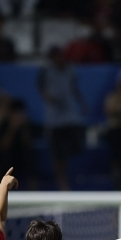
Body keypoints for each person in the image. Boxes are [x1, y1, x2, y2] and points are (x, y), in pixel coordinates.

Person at [38, 47, 87, 191]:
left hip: (70, 118)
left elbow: (74, 88)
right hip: (54, 121)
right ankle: (61, 180)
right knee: (57, 153)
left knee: (71, 150)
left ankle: (66, 176)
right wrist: (48, 97)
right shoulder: (46, 71)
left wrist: (82, 104)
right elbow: (41, 88)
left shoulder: (70, 70)